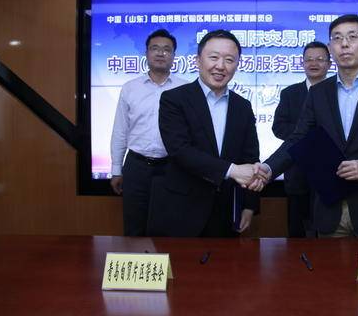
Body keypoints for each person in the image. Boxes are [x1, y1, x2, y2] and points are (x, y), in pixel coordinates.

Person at [255, 14, 358, 237]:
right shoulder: (318, 93)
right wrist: (268, 168)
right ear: (330, 47)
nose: (344, 44)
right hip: (329, 212)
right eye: (337, 38)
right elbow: (298, 139)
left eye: (352, 37)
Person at [146, 30, 263, 237]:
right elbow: (180, 150)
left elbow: (250, 156)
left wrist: (249, 205)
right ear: (198, 61)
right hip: (182, 209)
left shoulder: (242, 106)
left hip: (226, 211)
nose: (221, 66)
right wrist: (231, 170)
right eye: (214, 57)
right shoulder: (174, 99)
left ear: (237, 65)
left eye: (229, 60)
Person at [110, 29, 188, 236]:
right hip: (137, 166)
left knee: (171, 227)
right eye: (155, 48)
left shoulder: (186, 90)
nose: (160, 53)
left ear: (174, 56)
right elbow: (120, 130)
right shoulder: (130, 88)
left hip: (172, 167)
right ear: (146, 53)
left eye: (166, 49)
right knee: (134, 227)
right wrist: (116, 169)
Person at [272, 41, 331, 237]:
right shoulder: (290, 93)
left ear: (329, 64)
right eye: (309, 59)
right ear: (302, 63)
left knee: (329, 232)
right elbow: (279, 127)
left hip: (331, 173)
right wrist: (310, 137)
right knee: (297, 234)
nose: (314, 63)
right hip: (297, 173)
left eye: (320, 59)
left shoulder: (337, 92)